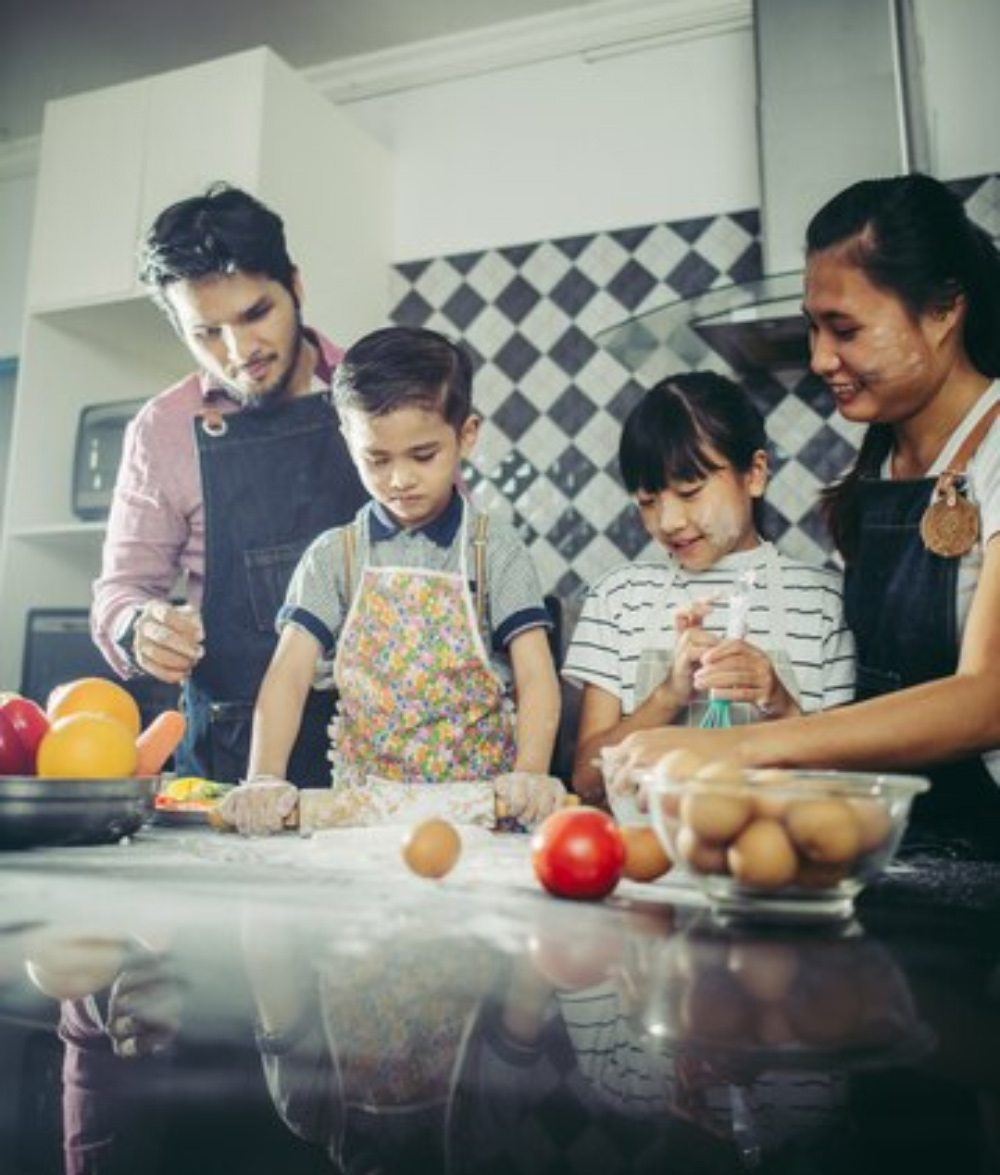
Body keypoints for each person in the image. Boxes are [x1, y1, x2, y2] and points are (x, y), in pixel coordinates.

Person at [605, 173, 1000, 859]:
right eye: (814, 327)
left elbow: (989, 697)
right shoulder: (876, 471)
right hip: (892, 840)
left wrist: (744, 747)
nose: (820, 358)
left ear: (943, 311)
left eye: (844, 329)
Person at [219, 325, 563, 834]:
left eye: (423, 456)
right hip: (363, 818)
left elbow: (536, 676)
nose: (399, 480)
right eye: (377, 459)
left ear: (466, 435)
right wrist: (263, 778)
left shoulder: (494, 551)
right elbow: (288, 674)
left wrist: (531, 773)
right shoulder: (334, 558)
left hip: (479, 818)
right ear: (348, 440)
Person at [91, 183, 369, 786]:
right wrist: (139, 628)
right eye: (208, 333)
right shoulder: (163, 430)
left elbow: (458, 556)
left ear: (295, 286)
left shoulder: (378, 392)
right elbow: (120, 592)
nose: (240, 351)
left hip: (385, 753)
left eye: (255, 314)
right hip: (230, 768)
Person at [563, 371, 855, 805]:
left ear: (754, 474)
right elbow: (587, 780)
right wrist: (669, 695)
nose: (668, 522)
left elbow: (844, 790)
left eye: (690, 492)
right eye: (647, 502)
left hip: (776, 842)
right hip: (645, 844)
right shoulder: (618, 600)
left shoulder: (825, 603)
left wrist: (780, 703)